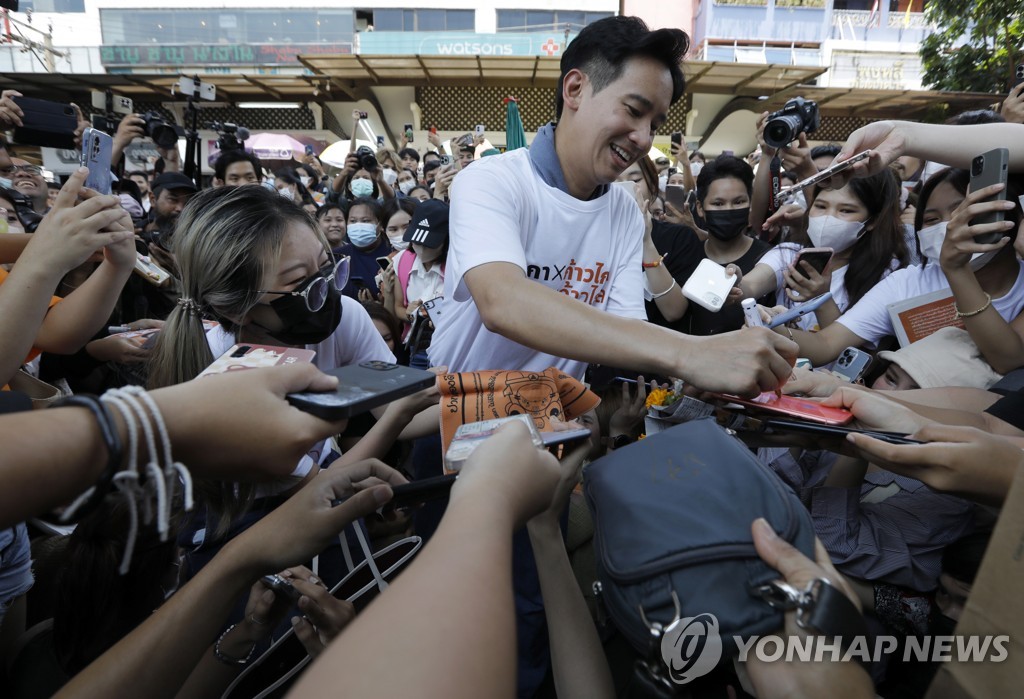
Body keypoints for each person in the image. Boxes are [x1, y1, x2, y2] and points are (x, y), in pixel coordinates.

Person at [426, 16, 796, 696]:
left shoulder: (625, 215)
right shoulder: (491, 184)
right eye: (633, 111)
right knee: (461, 618)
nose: (643, 139)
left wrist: (667, 385)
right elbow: (504, 301)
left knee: (536, 605)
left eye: (655, 120)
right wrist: (690, 354)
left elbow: (620, 326)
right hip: (458, 416)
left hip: (554, 428)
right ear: (574, 88)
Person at [735, 167, 909, 333]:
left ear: (873, 221)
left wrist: (821, 299)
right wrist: (733, 285)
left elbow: (840, 346)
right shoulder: (788, 254)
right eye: (820, 206)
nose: (828, 218)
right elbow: (750, 285)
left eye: (846, 210)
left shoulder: (887, 274)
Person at [380, 199, 449, 369]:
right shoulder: (402, 261)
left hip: (449, 349)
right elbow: (397, 309)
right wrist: (411, 314)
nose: (422, 249)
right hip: (417, 349)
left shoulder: (456, 266)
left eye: (430, 243)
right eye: (417, 242)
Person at [335, 196, 393, 301]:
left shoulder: (393, 253)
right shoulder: (337, 257)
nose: (358, 226)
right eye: (353, 221)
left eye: (365, 221)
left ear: (380, 225)